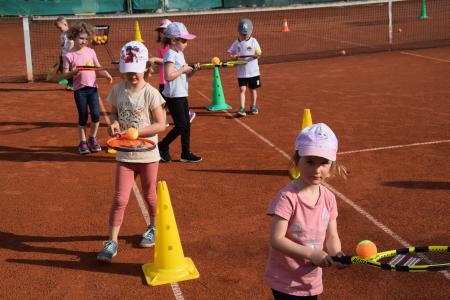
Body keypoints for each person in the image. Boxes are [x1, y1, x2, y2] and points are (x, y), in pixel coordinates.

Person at [97, 41, 166, 263]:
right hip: (125, 155)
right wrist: (114, 125)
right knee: (119, 199)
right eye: (128, 72)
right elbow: (114, 115)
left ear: (146, 67)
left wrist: (137, 132)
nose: (132, 76)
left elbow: (161, 124)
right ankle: (112, 242)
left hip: (148, 156)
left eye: (136, 71)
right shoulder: (117, 90)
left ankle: (154, 227)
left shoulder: (152, 94)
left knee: (150, 196)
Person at [265, 123, 347, 299]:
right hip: (285, 281)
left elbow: (332, 236)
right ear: (297, 160)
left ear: (332, 164)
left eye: (324, 163)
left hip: (311, 280)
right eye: (310, 162)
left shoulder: (329, 198)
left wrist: (336, 254)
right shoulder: (287, 197)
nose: (317, 170)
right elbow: (276, 239)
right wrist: (311, 254)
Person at [63, 22, 113, 154]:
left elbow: (97, 67)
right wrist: (73, 73)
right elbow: (64, 74)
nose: (84, 41)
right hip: (80, 90)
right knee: (83, 116)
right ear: (74, 37)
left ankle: (92, 138)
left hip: (93, 89)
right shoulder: (69, 55)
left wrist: (106, 74)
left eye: (86, 38)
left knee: (96, 115)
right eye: (81, 38)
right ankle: (83, 142)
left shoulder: (91, 52)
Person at [157, 22, 202, 163]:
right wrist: (183, 69)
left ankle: (185, 153)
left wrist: (192, 71)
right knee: (181, 125)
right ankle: (162, 145)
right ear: (173, 40)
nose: (186, 43)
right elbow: (168, 76)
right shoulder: (170, 54)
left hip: (181, 93)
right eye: (183, 40)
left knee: (186, 124)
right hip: (173, 95)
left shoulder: (179, 53)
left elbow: (184, 75)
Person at [151, 19, 197, 127]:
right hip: (165, 80)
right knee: (164, 104)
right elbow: (166, 63)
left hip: (171, 84)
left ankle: (186, 114)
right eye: (161, 31)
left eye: (164, 30)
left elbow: (169, 64)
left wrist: (155, 59)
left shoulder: (173, 50)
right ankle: (164, 121)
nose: (163, 33)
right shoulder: (161, 47)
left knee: (166, 105)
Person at [227, 18, 262, 117]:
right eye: (243, 33)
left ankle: (253, 106)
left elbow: (259, 53)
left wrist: (256, 56)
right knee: (242, 89)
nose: (245, 35)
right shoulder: (236, 42)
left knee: (252, 89)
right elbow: (229, 52)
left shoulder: (254, 41)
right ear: (239, 32)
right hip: (241, 72)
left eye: (246, 33)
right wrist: (233, 56)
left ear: (251, 31)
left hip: (253, 72)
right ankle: (242, 108)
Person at [54, 16, 74, 90]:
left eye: (60, 27)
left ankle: (71, 84)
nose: (59, 29)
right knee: (62, 68)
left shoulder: (70, 33)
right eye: (58, 28)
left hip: (69, 55)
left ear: (65, 24)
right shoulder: (62, 34)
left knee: (69, 70)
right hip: (63, 55)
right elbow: (62, 45)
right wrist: (61, 54)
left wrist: (69, 53)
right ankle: (69, 82)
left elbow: (72, 43)